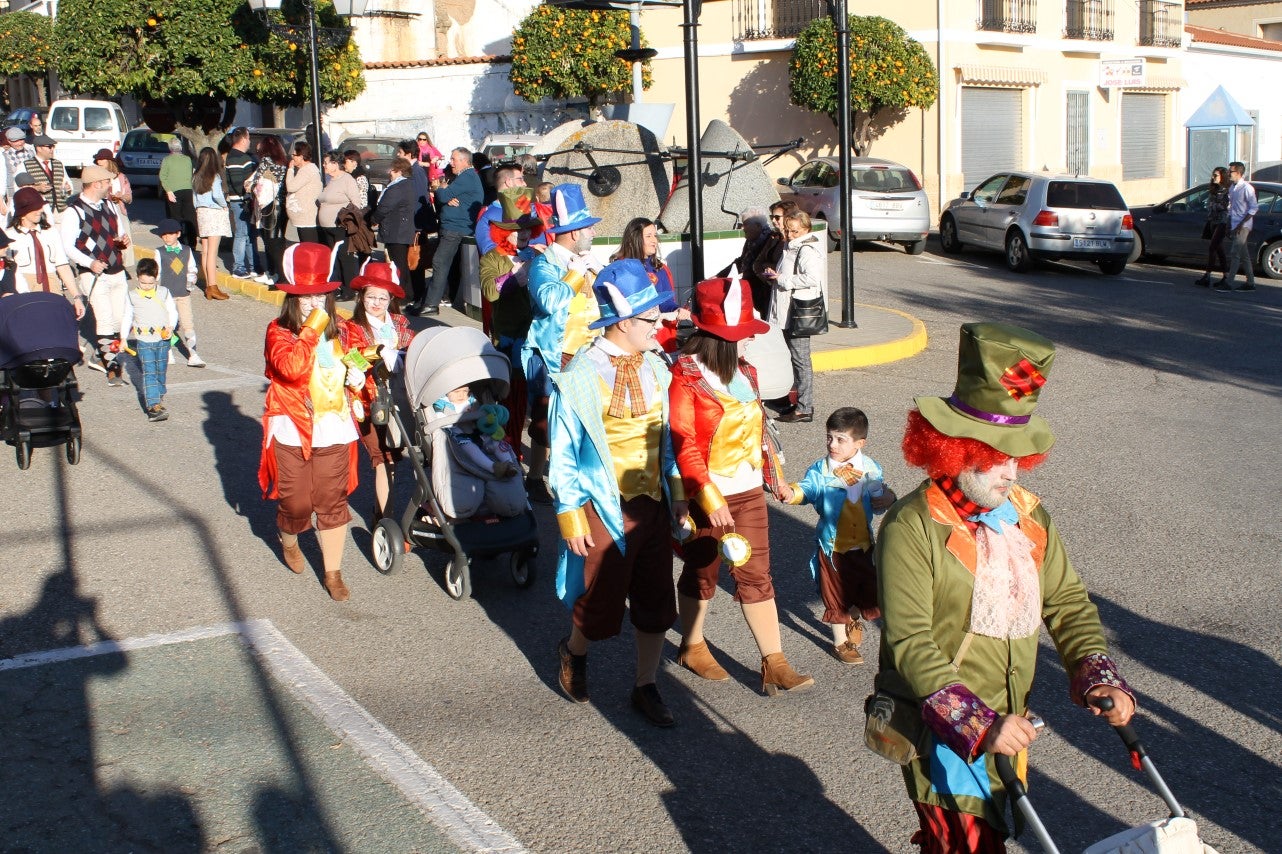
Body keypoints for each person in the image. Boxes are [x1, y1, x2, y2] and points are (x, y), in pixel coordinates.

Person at [877, 322, 1136, 852]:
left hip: (1010, 727)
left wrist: (1095, 672)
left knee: (986, 836)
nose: (1010, 473)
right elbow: (910, 642)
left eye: (1017, 456)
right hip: (942, 728)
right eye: (995, 456)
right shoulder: (911, 525)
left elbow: (1065, 600)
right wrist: (977, 722)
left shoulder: (1027, 514)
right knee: (966, 844)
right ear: (952, 448)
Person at [548, 258, 686, 727]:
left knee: (655, 602)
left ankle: (646, 685)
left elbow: (665, 441)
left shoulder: (658, 369)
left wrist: (679, 494)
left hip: (652, 505)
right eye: (651, 318)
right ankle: (574, 651)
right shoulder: (580, 375)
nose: (660, 325)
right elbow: (562, 453)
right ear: (625, 321)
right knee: (599, 603)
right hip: (602, 509)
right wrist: (569, 516)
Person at [668, 274, 813, 696]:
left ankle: (775, 662)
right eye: (744, 335)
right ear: (720, 339)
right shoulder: (684, 376)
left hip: (748, 491)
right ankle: (692, 645)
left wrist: (777, 478)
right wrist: (706, 498)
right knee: (703, 572)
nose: (750, 341)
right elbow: (683, 442)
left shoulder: (744, 370)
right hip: (704, 494)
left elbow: (760, 432)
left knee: (756, 575)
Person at [258, 242, 363, 602]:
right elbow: (289, 369)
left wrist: (362, 377)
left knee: (332, 500)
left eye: (321, 297)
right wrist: (312, 329)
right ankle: (287, 536)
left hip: (334, 427)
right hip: (293, 427)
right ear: (292, 299)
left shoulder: (345, 330)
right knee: (296, 503)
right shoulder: (279, 331)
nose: (315, 304)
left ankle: (333, 571)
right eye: (306, 298)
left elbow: (359, 360)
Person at [783, 406, 896, 664]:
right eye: (829, 437)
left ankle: (853, 619)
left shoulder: (870, 468)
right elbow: (807, 489)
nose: (832, 444)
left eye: (840, 439)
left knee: (865, 590)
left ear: (859, 443)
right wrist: (792, 493)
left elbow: (883, 500)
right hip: (832, 547)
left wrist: (886, 498)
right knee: (836, 595)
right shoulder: (820, 470)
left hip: (864, 545)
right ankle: (840, 642)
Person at [524, 184, 604, 501]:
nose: (594, 231)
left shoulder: (586, 259)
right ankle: (536, 478)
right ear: (573, 233)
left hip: (590, 355)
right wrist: (573, 275)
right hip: (554, 356)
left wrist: (602, 271)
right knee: (547, 424)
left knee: (584, 421)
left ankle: (576, 478)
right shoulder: (544, 264)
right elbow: (547, 300)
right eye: (589, 227)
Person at [479, 186, 550, 501]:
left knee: (542, 414)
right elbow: (490, 292)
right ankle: (506, 469)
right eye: (514, 231)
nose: (521, 237)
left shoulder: (537, 255)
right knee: (509, 412)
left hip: (538, 346)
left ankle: (535, 478)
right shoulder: (493, 257)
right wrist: (512, 279)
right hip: (508, 345)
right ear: (499, 231)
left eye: (525, 231)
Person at [338, 260, 414, 523]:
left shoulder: (400, 324)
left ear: (391, 298)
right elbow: (349, 358)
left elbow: (416, 351)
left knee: (413, 455)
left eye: (383, 297)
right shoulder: (351, 327)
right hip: (368, 401)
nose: (377, 303)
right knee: (384, 459)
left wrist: (406, 355)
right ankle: (385, 518)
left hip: (401, 399)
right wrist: (376, 356)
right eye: (371, 297)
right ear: (361, 297)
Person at [60, 164, 133, 385]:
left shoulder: (110, 205)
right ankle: (112, 367)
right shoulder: (74, 211)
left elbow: (118, 232)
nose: (111, 185)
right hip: (93, 273)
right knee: (105, 319)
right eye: (108, 182)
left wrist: (122, 240)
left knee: (120, 320)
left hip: (117, 269)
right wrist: (89, 262)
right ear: (96, 184)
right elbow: (68, 246)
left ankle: (100, 354)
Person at [764, 209, 825, 423]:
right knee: (791, 358)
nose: (790, 235)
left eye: (795, 231)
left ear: (806, 229)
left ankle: (804, 407)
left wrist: (782, 279)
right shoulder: (791, 247)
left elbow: (811, 278)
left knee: (800, 359)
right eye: (788, 231)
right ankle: (792, 401)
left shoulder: (807, 249)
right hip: (786, 312)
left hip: (797, 314)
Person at [419, 147, 483, 314]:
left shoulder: (467, 177)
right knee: (450, 266)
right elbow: (445, 197)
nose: (451, 162)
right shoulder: (464, 177)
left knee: (440, 262)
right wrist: (445, 193)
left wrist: (441, 190)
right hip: (455, 227)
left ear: (464, 160)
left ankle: (431, 304)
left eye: (454, 159)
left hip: (455, 228)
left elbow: (442, 195)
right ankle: (436, 300)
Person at [4, 186, 83, 317]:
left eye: (40, 206)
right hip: (25, 292)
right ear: (22, 212)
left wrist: (76, 297)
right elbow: (7, 274)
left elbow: (62, 265)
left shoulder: (50, 232)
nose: (40, 210)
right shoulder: (10, 237)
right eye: (35, 208)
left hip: (53, 289)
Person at [613, 217, 686, 353]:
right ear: (635, 238)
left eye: (655, 236)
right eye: (649, 236)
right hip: (629, 335)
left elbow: (666, 302)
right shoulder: (620, 268)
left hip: (656, 335)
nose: (654, 240)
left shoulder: (660, 269)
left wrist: (677, 310)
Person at [120, 258, 179, 422]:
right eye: (143, 283)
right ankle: (153, 406)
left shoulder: (164, 292)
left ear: (156, 278)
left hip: (162, 339)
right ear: (137, 277)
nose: (146, 286)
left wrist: (171, 327)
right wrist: (123, 338)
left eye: (150, 283)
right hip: (144, 340)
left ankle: (158, 395)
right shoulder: (131, 297)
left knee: (161, 370)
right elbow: (127, 317)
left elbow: (172, 312)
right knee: (149, 372)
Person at [152, 217, 205, 368]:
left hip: (183, 293)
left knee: (188, 324)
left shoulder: (187, 251)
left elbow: (192, 268)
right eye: (163, 235)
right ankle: (168, 352)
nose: (167, 237)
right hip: (166, 295)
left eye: (170, 234)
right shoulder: (159, 252)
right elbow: (157, 273)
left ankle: (193, 354)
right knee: (168, 324)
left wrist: (191, 281)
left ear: (178, 234)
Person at [317, 151, 365, 298]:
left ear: (335, 164)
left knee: (345, 258)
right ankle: (336, 287)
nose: (324, 165)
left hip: (340, 227)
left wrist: (345, 219)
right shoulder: (330, 179)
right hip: (327, 227)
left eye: (326, 162)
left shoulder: (347, 179)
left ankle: (349, 290)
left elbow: (356, 202)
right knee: (334, 258)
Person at [192, 147, 231, 301]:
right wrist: (224, 205)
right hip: (213, 212)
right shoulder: (214, 177)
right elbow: (217, 195)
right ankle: (213, 286)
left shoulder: (195, 176)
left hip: (201, 212)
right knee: (213, 252)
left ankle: (208, 284)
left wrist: (197, 209)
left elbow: (194, 198)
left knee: (206, 250)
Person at [250, 135, 290, 286]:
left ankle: (277, 274)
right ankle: (277, 274)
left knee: (270, 242)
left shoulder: (266, 161)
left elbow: (256, 181)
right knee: (278, 241)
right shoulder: (284, 163)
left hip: (268, 205)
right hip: (281, 205)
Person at [371, 158, 416, 289]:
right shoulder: (406, 185)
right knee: (399, 263)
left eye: (392, 170)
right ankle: (405, 292)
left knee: (397, 264)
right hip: (400, 229)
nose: (389, 173)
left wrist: (374, 219)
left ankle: (401, 292)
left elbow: (384, 207)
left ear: (399, 171)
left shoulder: (398, 187)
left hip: (396, 231)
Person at [1215, 160, 1258, 293]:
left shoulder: (1247, 188)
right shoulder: (1233, 188)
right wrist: (1229, 224)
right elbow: (1231, 208)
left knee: (1235, 253)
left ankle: (1229, 282)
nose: (1228, 174)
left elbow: (1253, 208)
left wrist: (1240, 224)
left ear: (1238, 173)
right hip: (1235, 224)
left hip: (1243, 226)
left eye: (1231, 171)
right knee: (1243, 255)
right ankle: (1250, 282)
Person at [223, 127, 260, 280]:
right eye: (249, 138)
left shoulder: (242, 157)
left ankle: (254, 266)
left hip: (245, 201)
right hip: (240, 202)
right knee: (241, 234)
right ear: (243, 139)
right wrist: (250, 190)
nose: (250, 141)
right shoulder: (236, 158)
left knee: (250, 235)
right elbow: (239, 184)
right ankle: (238, 267)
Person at [721, 207, 773, 314]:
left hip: (765, 291)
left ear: (758, 226)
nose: (742, 228)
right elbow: (741, 261)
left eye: (745, 224)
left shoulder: (770, 240)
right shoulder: (750, 241)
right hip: (752, 289)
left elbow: (762, 266)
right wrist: (719, 276)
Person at [93, 149, 134, 266]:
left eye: (101, 159)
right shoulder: (96, 177)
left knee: (124, 238)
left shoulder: (121, 177)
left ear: (109, 161)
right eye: (97, 159)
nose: (98, 162)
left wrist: (121, 196)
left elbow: (129, 198)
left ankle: (123, 265)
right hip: (102, 211)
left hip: (119, 210)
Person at [24, 135, 73, 225]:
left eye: (53, 147)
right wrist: (37, 188)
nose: (52, 149)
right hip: (41, 211)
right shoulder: (25, 165)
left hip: (61, 210)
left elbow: (67, 180)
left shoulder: (58, 163)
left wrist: (68, 187)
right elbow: (20, 189)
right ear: (38, 148)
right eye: (49, 147)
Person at [1195, 166, 1230, 288]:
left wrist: (1214, 205)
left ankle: (1208, 275)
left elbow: (1225, 207)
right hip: (1213, 221)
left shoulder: (1228, 191)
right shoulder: (1214, 190)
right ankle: (1225, 275)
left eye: (1216, 175)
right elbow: (1209, 205)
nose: (1213, 177)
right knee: (1219, 249)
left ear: (1222, 176)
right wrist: (1214, 205)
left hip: (1223, 222)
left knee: (1212, 247)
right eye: (1213, 175)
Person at [159, 137, 197, 248]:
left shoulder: (167, 160)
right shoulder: (187, 159)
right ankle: (192, 242)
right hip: (188, 190)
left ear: (170, 148)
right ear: (180, 147)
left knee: (175, 218)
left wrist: (168, 191)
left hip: (174, 192)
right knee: (190, 218)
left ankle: (178, 241)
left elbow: (162, 176)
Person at [284, 140, 322, 245]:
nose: (293, 158)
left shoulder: (308, 170)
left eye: (294, 155)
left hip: (307, 219)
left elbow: (291, 187)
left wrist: (290, 170)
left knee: (309, 247)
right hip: (301, 219)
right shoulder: (304, 170)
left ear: (301, 156)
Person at [3, 126, 33, 212]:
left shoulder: (31, 152)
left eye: (21, 140)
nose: (20, 143)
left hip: (31, 190)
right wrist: (10, 197)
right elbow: (6, 178)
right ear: (9, 141)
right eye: (15, 141)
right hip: (15, 191)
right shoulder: (5, 156)